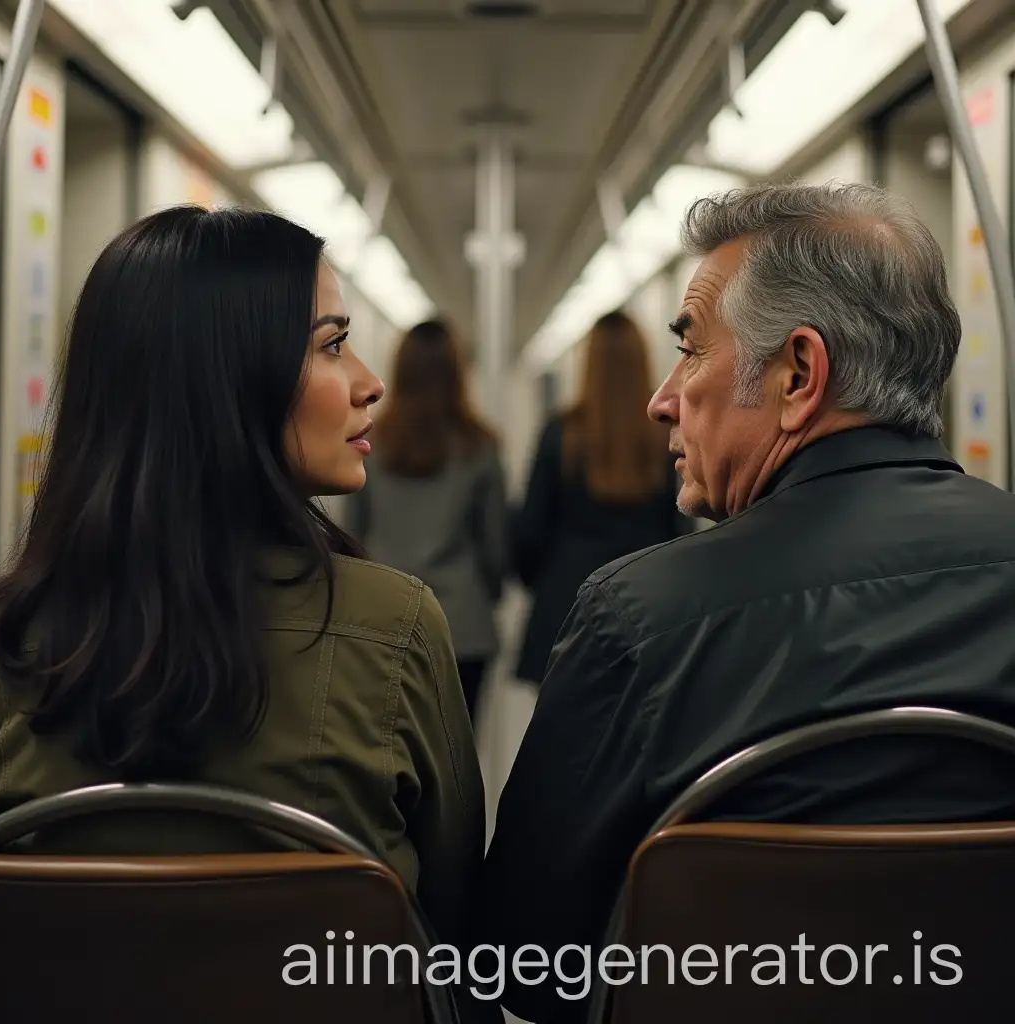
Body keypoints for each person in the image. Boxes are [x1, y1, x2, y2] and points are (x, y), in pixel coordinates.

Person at [478, 181, 1015, 1023]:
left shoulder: (639, 619)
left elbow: (525, 956)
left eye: (691, 350)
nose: (663, 397)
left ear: (799, 374)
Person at [0, 206, 485, 957]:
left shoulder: (9, 645)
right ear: (229, 378)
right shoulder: (394, 629)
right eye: (334, 346)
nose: (370, 382)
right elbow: (455, 928)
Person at [343, 318, 507, 725]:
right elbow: (495, 549)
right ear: (457, 374)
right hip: (462, 627)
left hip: (380, 619)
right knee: (459, 753)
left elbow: (352, 536)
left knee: (386, 751)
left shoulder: (370, 442)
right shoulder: (480, 446)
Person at [512, 309, 688, 686]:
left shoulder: (560, 433)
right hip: (647, 606)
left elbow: (530, 532)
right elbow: (679, 528)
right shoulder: (665, 436)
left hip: (566, 608)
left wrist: (542, 582)